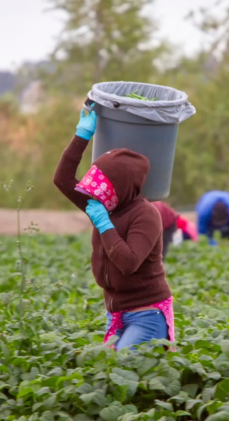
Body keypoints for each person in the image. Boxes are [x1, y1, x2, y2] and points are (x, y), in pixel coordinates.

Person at [53, 106, 174, 352]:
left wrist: (104, 225)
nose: (95, 195)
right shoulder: (102, 205)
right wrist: (83, 135)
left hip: (147, 314)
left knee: (121, 367)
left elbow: (129, 263)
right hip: (115, 314)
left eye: (102, 189)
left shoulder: (146, 215)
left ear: (121, 189)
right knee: (106, 373)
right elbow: (62, 179)